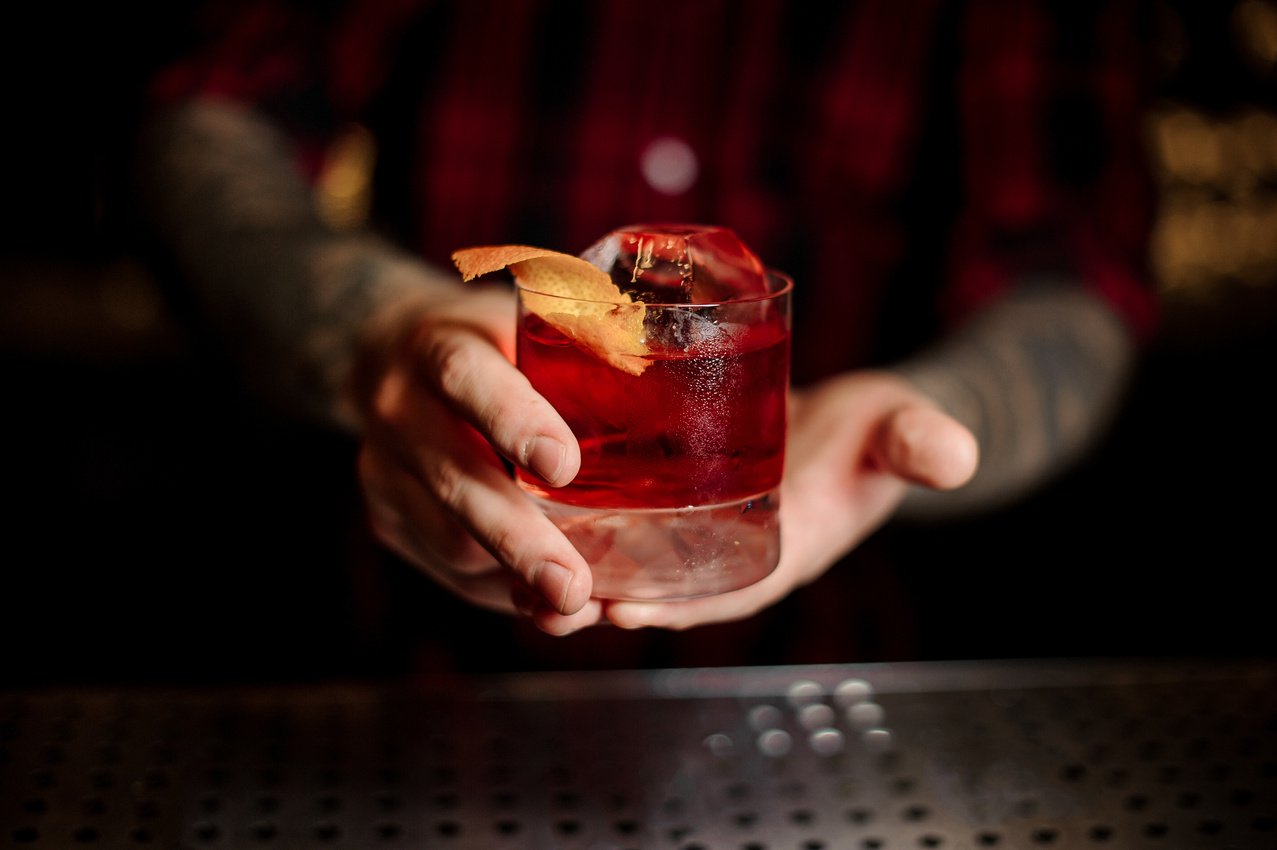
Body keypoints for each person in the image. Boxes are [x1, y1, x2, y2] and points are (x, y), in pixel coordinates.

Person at [137, 0, 1156, 640]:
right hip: (404, 639)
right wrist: (377, 327)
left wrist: (938, 409)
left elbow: (1073, 267)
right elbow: (204, 110)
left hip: (826, 652)